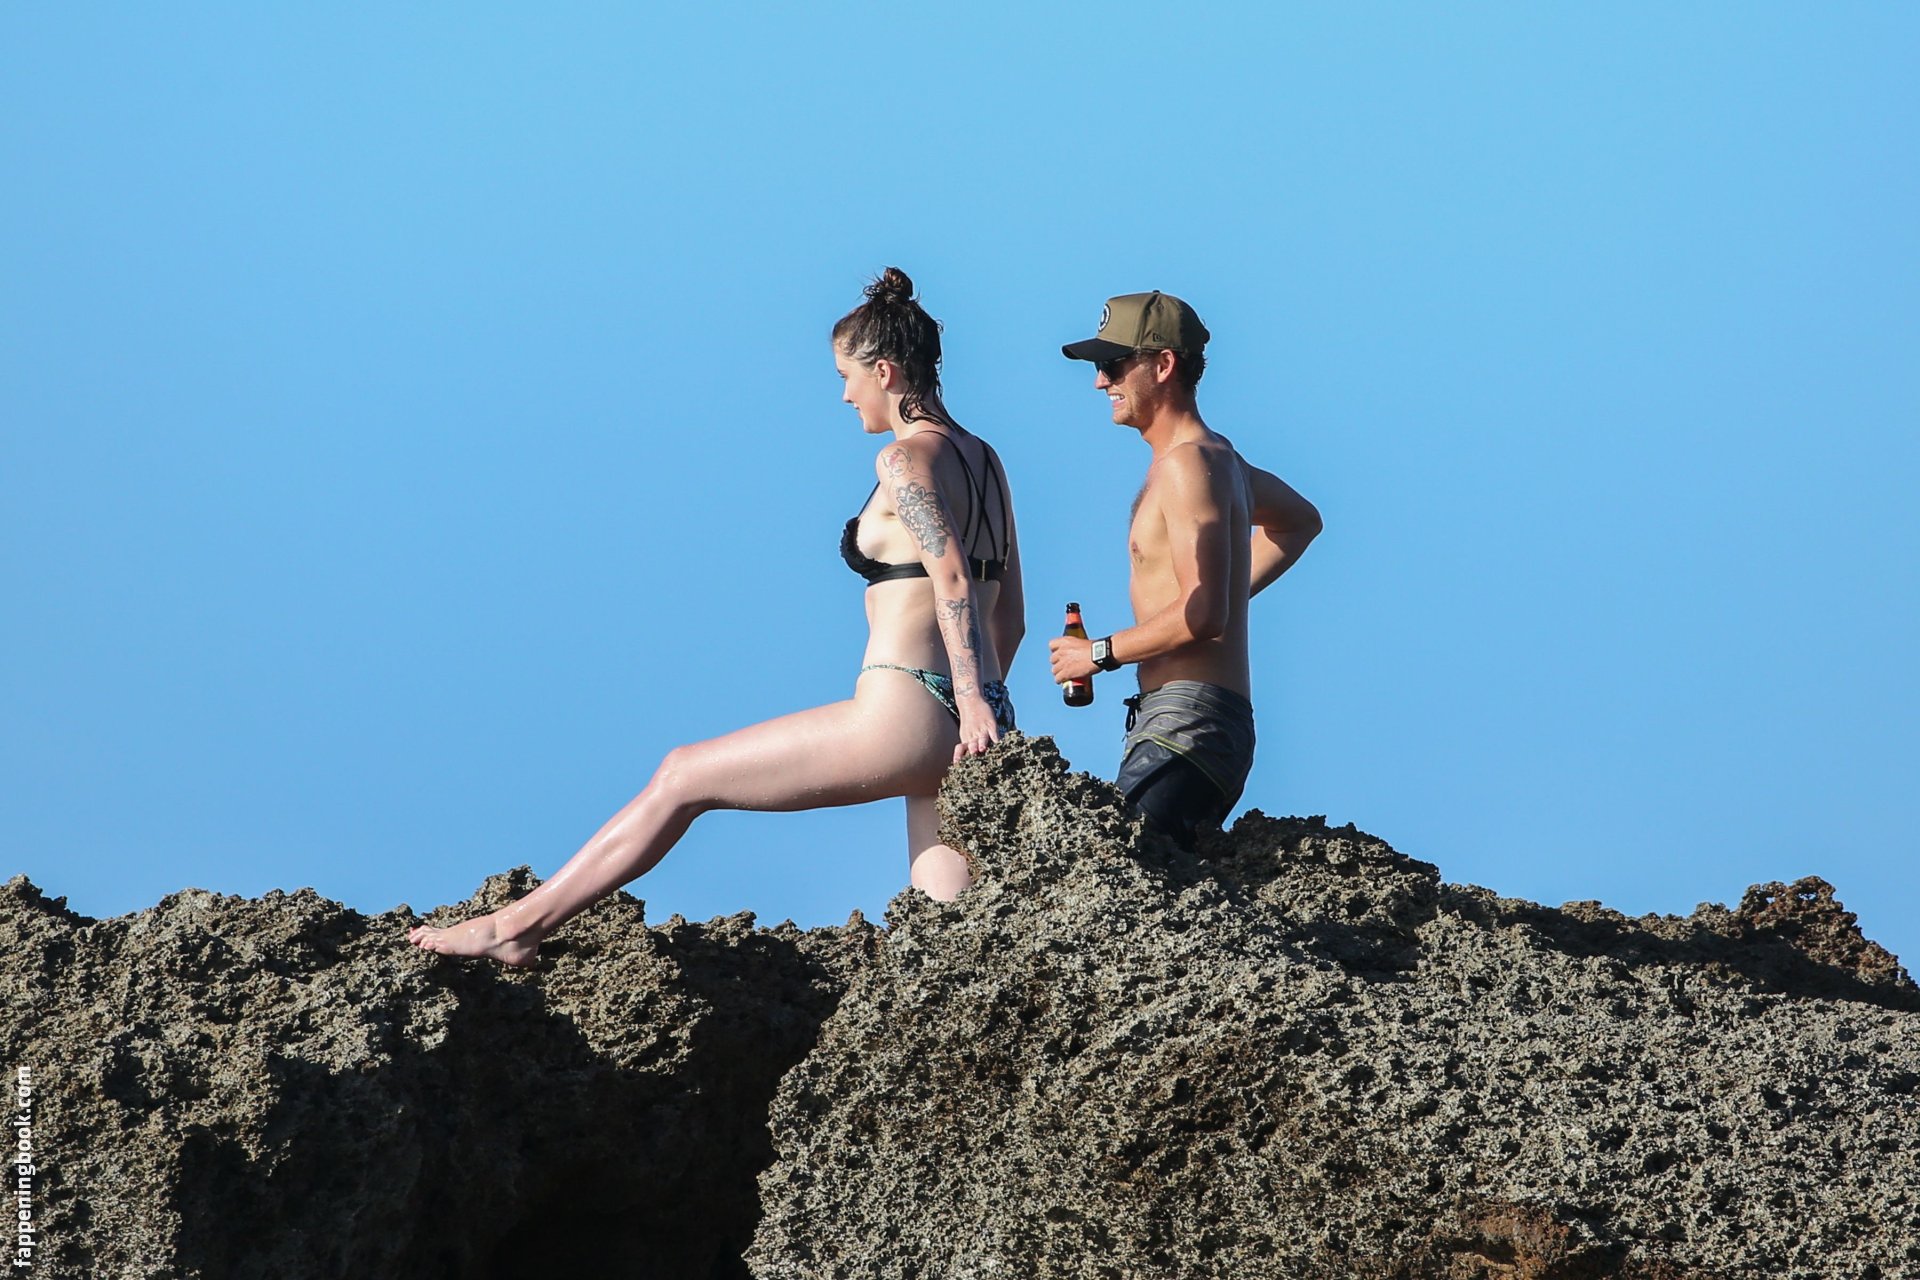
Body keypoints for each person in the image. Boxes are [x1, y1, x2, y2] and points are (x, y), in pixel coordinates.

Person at [410, 269, 1023, 966]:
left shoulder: (903, 460)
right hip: (973, 721)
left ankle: (514, 927)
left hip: (906, 710)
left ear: (884, 371)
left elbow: (949, 576)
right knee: (952, 928)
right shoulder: (986, 462)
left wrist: (965, 700)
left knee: (683, 776)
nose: (844, 394)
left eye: (847, 377)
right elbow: (1010, 613)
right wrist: (981, 706)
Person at [1047, 290, 1321, 846]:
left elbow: (1203, 616)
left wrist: (1097, 654)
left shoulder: (1189, 465)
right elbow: (1299, 522)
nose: (1100, 382)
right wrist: (1223, 592)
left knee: (1116, 871)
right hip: (1189, 725)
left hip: (1189, 725)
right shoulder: (1218, 459)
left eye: (1112, 364)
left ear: (1163, 364)